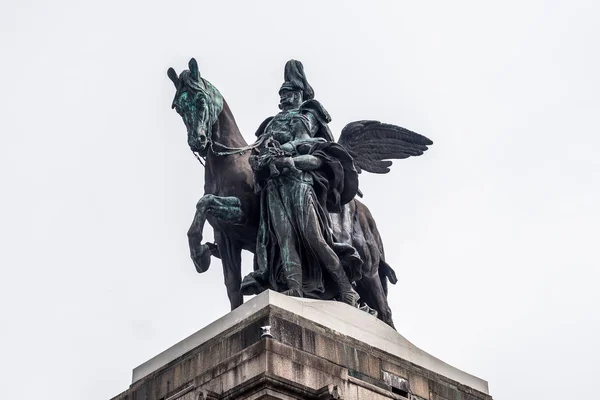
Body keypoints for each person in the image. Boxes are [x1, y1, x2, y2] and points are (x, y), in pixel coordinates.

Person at [241, 60, 362, 306]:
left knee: (314, 238)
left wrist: (288, 157)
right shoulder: (270, 123)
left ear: (300, 95)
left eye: (291, 94)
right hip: (274, 187)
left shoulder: (307, 117)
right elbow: (256, 153)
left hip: (299, 184)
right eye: (283, 94)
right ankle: (294, 288)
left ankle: (347, 289)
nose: (285, 98)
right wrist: (260, 162)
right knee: (284, 239)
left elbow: (315, 154)